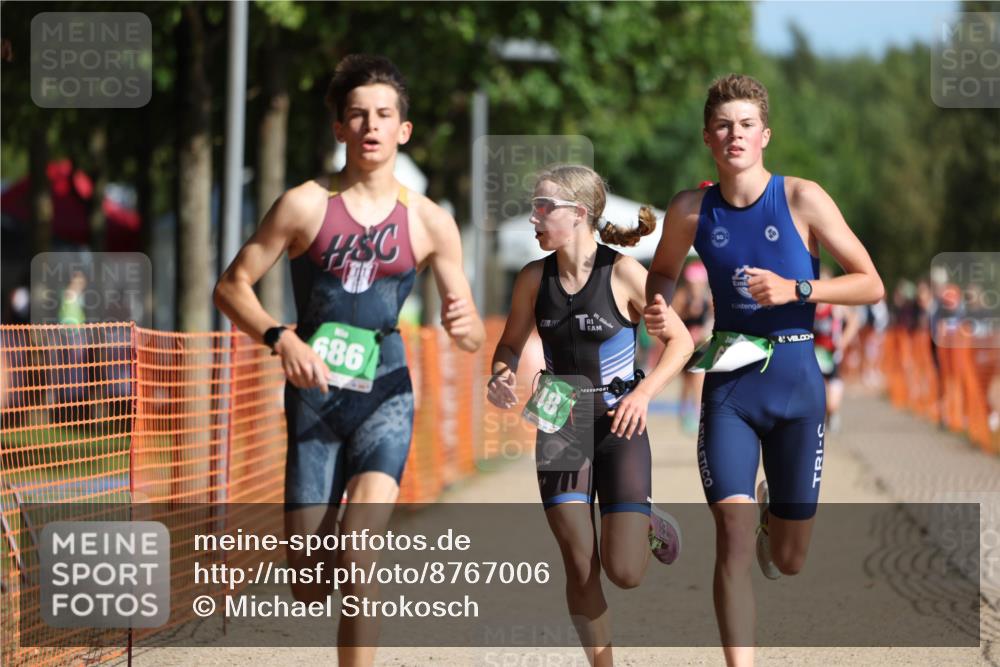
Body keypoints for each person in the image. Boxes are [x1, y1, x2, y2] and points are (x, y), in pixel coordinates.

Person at [214, 54, 484, 666]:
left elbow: (467, 333)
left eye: (384, 115)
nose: (371, 126)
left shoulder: (431, 222)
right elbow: (230, 287)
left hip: (386, 398)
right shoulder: (303, 205)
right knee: (309, 584)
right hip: (313, 402)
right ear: (339, 127)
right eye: (357, 114)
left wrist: (465, 330)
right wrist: (281, 337)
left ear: (403, 130)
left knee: (361, 552)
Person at [644, 74, 883, 666]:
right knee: (730, 536)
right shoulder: (690, 209)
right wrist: (659, 307)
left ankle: (773, 518)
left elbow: (870, 282)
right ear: (707, 137)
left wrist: (798, 288)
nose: (735, 135)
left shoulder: (802, 198)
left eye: (747, 125)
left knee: (788, 559)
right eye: (723, 125)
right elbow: (663, 273)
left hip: (797, 383)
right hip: (730, 386)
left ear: (765, 135)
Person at [487, 164, 693, 667]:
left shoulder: (622, 272)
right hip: (561, 422)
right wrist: (500, 374)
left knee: (625, 572)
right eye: (533, 207)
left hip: (621, 422)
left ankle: (647, 523)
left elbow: (682, 342)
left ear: (579, 214)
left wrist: (644, 395)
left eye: (544, 208)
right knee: (580, 562)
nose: (534, 217)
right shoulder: (533, 279)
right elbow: (510, 344)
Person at [813, 266, 861, 433]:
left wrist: (843, 340)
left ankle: (832, 414)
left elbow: (854, 321)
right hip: (813, 355)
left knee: (832, 404)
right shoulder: (811, 304)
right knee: (816, 396)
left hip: (831, 356)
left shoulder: (836, 306)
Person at [672, 259, 713, 433]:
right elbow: (673, 318)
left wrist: (704, 331)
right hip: (685, 346)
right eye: (692, 283)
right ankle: (683, 412)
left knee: (699, 380)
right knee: (687, 382)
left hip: (701, 346)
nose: (695, 286)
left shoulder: (708, 298)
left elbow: (713, 318)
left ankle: (697, 413)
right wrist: (687, 315)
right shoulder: (682, 296)